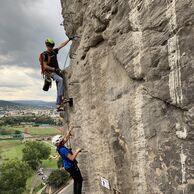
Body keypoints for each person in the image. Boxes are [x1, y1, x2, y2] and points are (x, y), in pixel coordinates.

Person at [42, 37, 73, 111]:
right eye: (50, 46)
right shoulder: (45, 54)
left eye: (52, 46)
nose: (51, 48)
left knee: (59, 87)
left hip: (56, 71)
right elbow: (45, 66)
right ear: (47, 46)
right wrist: (53, 69)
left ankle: (58, 105)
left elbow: (61, 45)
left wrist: (69, 40)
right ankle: (62, 98)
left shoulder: (54, 51)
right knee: (60, 80)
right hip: (50, 72)